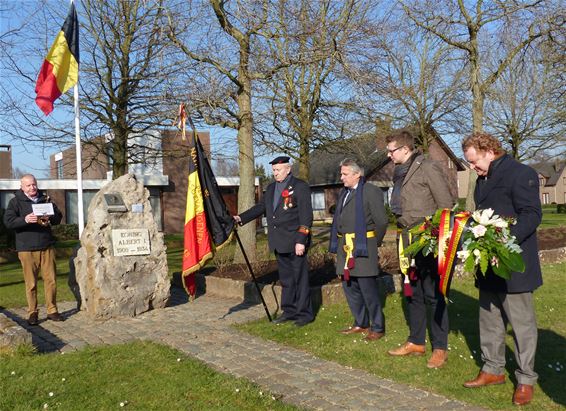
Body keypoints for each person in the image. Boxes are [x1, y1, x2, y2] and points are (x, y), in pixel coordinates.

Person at [461, 132, 542, 406]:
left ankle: (525, 379)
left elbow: (531, 214)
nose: (472, 168)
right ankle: (493, 369)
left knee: (522, 326)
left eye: (474, 162)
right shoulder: (482, 179)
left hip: (514, 264)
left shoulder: (521, 173)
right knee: (490, 320)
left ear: (489, 150)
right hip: (488, 265)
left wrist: (504, 241)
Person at [385, 130, 454, 368]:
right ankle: (416, 341)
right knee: (412, 291)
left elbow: (446, 204)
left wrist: (435, 235)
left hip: (427, 238)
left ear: (405, 149)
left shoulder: (427, 167)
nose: (388, 154)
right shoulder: (398, 172)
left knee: (433, 294)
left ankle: (440, 348)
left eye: (392, 150)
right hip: (405, 237)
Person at [234, 156, 314, 326]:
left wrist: (302, 239)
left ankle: (304, 314)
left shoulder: (300, 187)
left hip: (295, 241)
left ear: (288, 169)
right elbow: (261, 208)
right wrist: (240, 218)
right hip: (279, 241)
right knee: (286, 279)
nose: (275, 174)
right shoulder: (270, 189)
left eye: (278, 170)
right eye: (274, 171)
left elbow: (306, 215)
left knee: (300, 278)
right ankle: (289, 310)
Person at [329, 158, 388, 341]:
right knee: (350, 287)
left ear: (357, 174)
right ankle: (361, 323)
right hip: (345, 247)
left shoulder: (371, 191)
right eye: (342, 173)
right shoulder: (344, 193)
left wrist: (373, 242)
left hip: (363, 247)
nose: (342, 177)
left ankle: (377, 326)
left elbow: (381, 221)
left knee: (367, 289)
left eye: (345, 174)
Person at [3, 174, 64, 325]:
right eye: (28, 185)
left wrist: (51, 217)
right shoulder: (15, 202)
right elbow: (8, 222)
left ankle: (52, 310)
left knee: (51, 281)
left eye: (34, 184)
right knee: (31, 283)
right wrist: (24, 220)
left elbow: (58, 218)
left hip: (46, 246)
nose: (32, 188)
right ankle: (32, 313)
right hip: (26, 248)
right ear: (22, 187)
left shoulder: (46, 199)